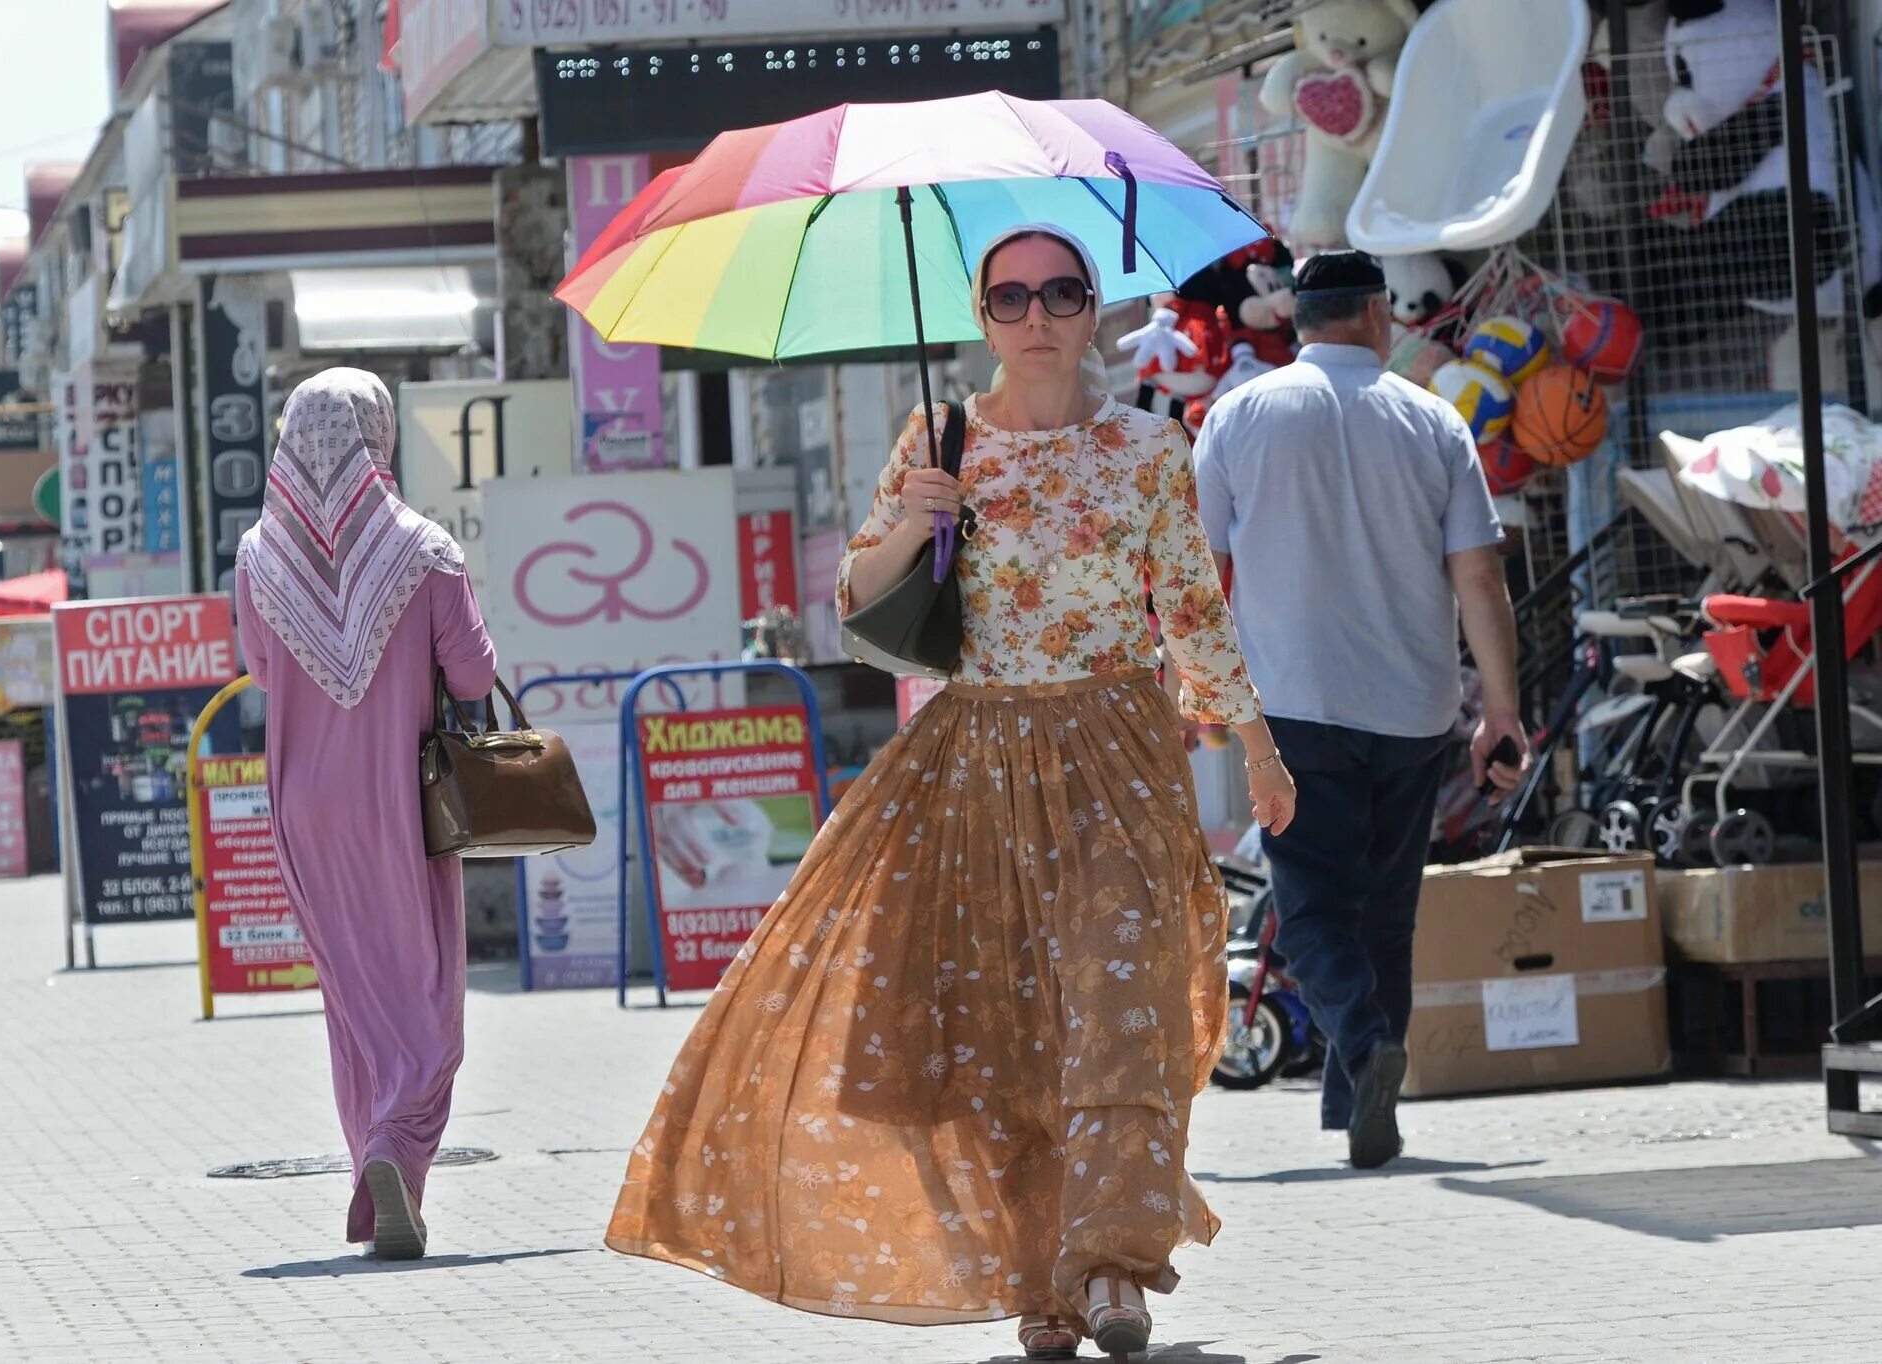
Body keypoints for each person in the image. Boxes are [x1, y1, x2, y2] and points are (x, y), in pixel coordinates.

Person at [608, 225, 1295, 1363]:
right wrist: (922, 517)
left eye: (1061, 292)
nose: (1037, 316)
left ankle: (1115, 1261)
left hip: (1120, 751)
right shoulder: (941, 438)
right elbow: (857, 604)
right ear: (983, 319)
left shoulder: (1147, 445)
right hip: (974, 759)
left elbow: (1192, 611)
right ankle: (1042, 1280)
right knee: (1006, 1034)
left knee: (1122, 1012)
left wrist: (1258, 744)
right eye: (1012, 297)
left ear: (1093, 311)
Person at [1191, 250, 1530, 1170]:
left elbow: (1195, 572)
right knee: (1384, 913)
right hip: (1414, 707)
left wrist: (1196, 688)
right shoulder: (1432, 419)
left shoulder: (1238, 416)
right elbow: (1479, 573)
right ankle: (1359, 1108)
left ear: (1299, 317)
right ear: (1379, 314)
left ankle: (1368, 1052)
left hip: (1292, 706)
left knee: (1309, 911)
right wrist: (1500, 709)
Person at [234, 367, 497, 1259]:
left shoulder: (257, 556)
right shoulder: (427, 551)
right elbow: (471, 677)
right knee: (425, 995)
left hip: (304, 804)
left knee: (353, 1003)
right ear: (376, 436)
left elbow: (266, 675)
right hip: (399, 798)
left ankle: (382, 1175)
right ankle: (395, 1148)